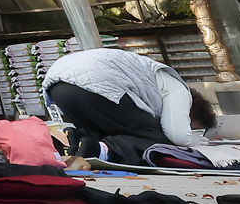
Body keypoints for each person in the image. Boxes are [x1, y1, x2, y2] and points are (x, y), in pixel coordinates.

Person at [43, 47, 217, 165]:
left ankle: (71, 141)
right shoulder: (179, 89)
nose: (188, 130)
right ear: (189, 114)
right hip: (95, 82)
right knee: (161, 141)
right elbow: (178, 136)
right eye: (191, 127)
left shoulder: (150, 80)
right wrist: (191, 141)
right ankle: (98, 150)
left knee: (104, 132)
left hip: (57, 84)